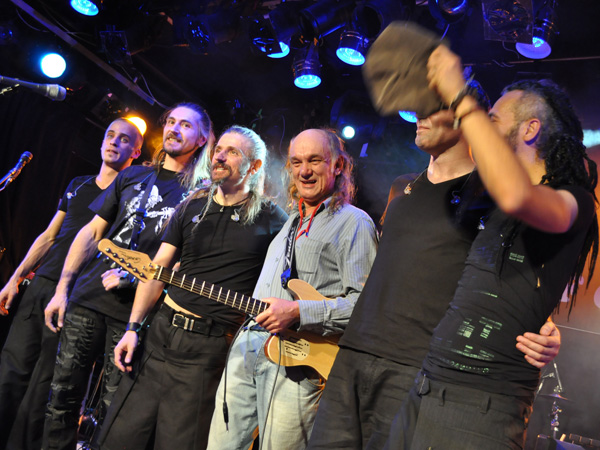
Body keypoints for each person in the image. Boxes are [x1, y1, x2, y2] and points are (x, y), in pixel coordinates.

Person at [307, 85, 562, 449]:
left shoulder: (491, 200)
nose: (419, 114)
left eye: (433, 107)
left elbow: (515, 281)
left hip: (415, 368)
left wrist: (547, 328)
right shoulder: (402, 187)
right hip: (352, 354)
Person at [385, 46, 598, 450]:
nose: (483, 123)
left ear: (530, 129)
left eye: (494, 118)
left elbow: (520, 197)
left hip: (484, 401)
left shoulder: (574, 199)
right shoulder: (487, 199)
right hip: (429, 379)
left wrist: (462, 95)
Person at [97, 125, 288, 450]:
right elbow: (156, 271)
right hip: (160, 336)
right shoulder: (192, 205)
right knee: (120, 438)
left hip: (209, 350)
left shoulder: (273, 219)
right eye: (218, 150)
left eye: (232, 152)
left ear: (254, 166)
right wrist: (132, 328)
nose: (220, 157)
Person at [42, 102, 214, 450]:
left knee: (113, 414)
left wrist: (137, 278)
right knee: (60, 399)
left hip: (135, 317)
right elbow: (92, 232)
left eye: (185, 125)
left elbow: (185, 262)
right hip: (88, 300)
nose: (174, 128)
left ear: (201, 139)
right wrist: (62, 289)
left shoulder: (201, 194)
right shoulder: (133, 175)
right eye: (171, 121)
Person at [207, 128, 379, 450]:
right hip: (249, 348)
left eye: (314, 160)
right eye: (296, 162)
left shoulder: (354, 223)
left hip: (297, 362)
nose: (304, 171)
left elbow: (366, 307)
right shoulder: (290, 223)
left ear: (338, 165)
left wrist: (299, 312)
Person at [0, 118, 142, 450]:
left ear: (136, 152)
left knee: (43, 387)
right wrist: (15, 277)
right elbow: (49, 235)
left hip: (76, 297)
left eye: (124, 139)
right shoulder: (79, 184)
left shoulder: (129, 197)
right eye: (110, 135)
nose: (113, 142)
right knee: (10, 370)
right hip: (42, 284)